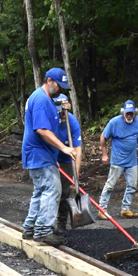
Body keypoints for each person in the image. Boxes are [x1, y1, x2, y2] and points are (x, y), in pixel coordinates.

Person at [21, 67, 77, 245]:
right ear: (49, 81)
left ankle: (29, 228)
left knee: (41, 191)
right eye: (58, 85)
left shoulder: (46, 100)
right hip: (39, 153)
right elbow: (42, 130)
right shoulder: (41, 99)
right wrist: (65, 148)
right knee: (53, 189)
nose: (60, 89)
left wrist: (62, 112)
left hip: (42, 154)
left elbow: (50, 123)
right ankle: (43, 230)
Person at [99, 100, 138, 218]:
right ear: (123, 112)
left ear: (135, 113)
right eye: (127, 113)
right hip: (117, 161)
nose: (129, 116)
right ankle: (102, 209)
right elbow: (103, 137)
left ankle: (125, 209)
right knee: (110, 185)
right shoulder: (114, 123)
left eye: (131, 113)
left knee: (132, 185)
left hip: (132, 161)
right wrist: (104, 154)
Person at [53, 93, 82, 234]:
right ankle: (44, 224)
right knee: (49, 191)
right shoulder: (50, 120)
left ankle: (62, 224)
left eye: (65, 112)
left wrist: (75, 174)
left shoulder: (73, 122)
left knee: (64, 193)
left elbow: (78, 150)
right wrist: (52, 161)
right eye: (60, 112)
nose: (63, 115)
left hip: (65, 160)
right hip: (50, 158)